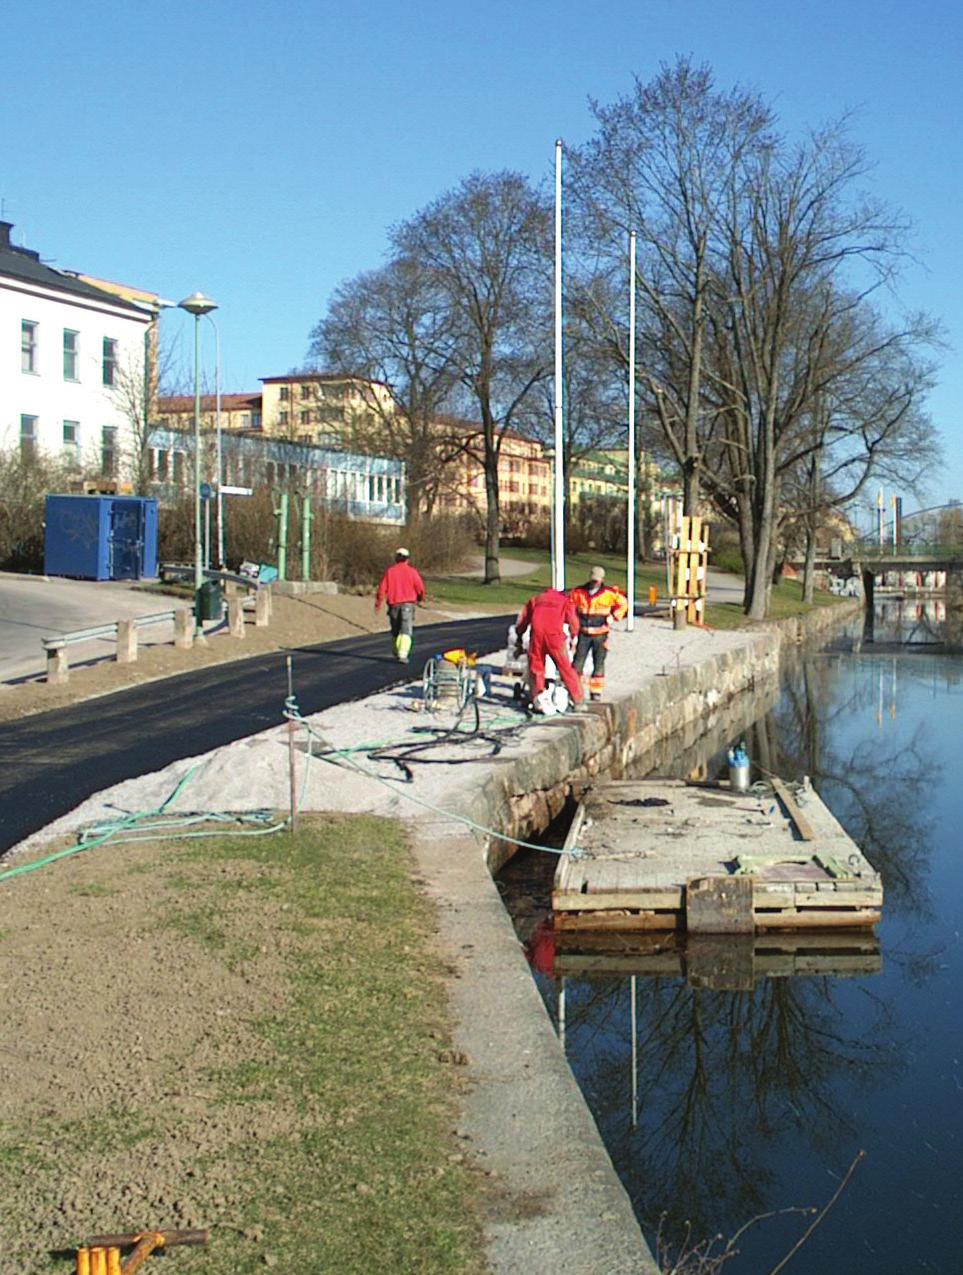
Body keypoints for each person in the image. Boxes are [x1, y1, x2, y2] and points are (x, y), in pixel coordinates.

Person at [514, 587, 583, 710]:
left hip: (537, 635)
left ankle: (538, 699)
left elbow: (523, 620)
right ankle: (577, 700)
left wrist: (519, 635)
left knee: (536, 667)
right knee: (565, 667)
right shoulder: (565, 601)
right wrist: (574, 637)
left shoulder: (536, 600)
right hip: (555, 636)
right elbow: (573, 622)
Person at [569, 566, 628, 701]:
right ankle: (575, 690)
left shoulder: (609, 593)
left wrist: (614, 616)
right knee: (578, 662)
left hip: (601, 634)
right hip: (583, 633)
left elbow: (623, 604)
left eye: (597, 580)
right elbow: (570, 607)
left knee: (599, 663)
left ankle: (596, 692)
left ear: (602, 579)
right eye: (593, 580)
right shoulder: (579, 592)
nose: (595, 582)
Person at [374, 547, 425, 663]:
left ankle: (397, 650)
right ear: (408, 559)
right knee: (406, 629)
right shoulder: (412, 572)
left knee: (395, 629)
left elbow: (382, 589)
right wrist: (421, 598)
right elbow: (420, 587)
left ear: (396, 559)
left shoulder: (390, 572)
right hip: (408, 604)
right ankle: (403, 654)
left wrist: (378, 604)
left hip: (394, 604)